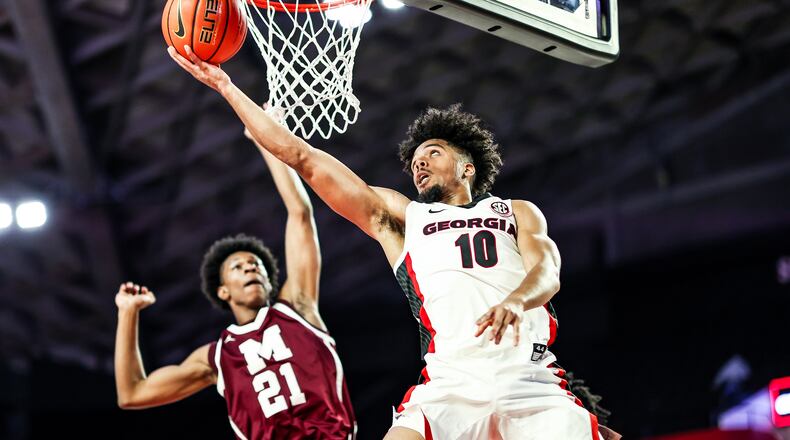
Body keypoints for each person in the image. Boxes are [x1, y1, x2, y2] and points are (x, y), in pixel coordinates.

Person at [168, 44, 614, 439]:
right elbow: (302, 157)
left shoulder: (516, 211)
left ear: (467, 167)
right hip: (450, 382)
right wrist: (226, 86)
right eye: (415, 161)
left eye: (433, 153)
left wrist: (517, 300)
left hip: (528, 376)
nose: (419, 165)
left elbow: (548, 271)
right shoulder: (402, 218)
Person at [113, 132, 356, 439]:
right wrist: (128, 313)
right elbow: (132, 394)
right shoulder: (216, 357)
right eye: (238, 267)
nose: (250, 267)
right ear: (223, 291)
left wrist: (266, 139)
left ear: (269, 282)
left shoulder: (298, 307)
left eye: (256, 264)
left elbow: (300, 214)